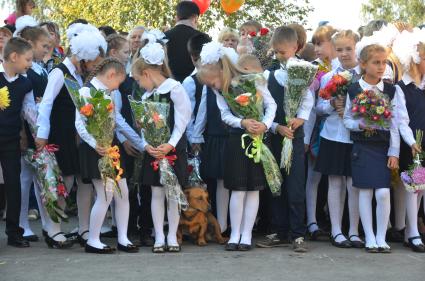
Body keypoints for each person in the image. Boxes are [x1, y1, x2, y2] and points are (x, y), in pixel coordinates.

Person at [197, 42, 276, 251]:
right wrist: (242, 122)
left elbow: (271, 105)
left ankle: (246, 234)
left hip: (257, 138)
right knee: (237, 188)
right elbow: (225, 114)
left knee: (253, 190)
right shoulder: (220, 91)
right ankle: (235, 234)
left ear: (222, 71)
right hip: (236, 139)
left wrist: (264, 125)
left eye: (213, 81)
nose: (212, 86)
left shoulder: (254, 81)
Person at [35, 26, 106, 248]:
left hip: (78, 136)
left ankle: (84, 228)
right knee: (62, 183)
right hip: (60, 135)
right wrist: (42, 134)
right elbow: (45, 104)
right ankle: (53, 229)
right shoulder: (59, 72)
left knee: (84, 183)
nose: (95, 68)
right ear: (84, 58)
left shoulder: (79, 75)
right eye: (93, 63)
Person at [256, 26, 312, 252]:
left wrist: (301, 119)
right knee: (275, 184)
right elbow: (263, 106)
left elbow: (308, 99)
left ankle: (298, 233)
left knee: (296, 186)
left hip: (295, 136)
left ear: (296, 47)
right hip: (276, 136)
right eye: (276, 52)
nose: (279, 56)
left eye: (283, 52)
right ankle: (277, 230)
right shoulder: (268, 75)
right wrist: (277, 126)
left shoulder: (305, 70)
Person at [132, 42, 191, 253]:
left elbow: (183, 120)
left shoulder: (175, 88)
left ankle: (172, 236)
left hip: (172, 149)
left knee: (172, 193)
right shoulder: (148, 97)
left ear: (147, 73)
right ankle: (159, 236)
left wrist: (170, 144)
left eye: (139, 80)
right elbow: (144, 128)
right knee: (156, 192)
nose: (139, 85)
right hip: (154, 151)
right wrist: (147, 144)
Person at [76, 57, 138, 254]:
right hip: (96, 149)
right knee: (104, 195)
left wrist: (141, 143)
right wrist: (96, 144)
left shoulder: (108, 93)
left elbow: (117, 119)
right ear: (111, 75)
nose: (118, 87)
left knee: (123, 193)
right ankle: (93, 240)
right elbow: (80, 124)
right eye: (118, 82)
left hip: (111, 147)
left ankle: (123, 237)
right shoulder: (86, 92)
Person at [343, 42, 401, 253]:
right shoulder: (354, 89)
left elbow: (395, 123)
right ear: (363, 63)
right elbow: (347, 120)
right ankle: (369, 237)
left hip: (382, 147)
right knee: (365, 192)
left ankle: (381, 236)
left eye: (384, 62)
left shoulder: (392, 90)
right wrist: (360, 124)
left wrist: (394, 151)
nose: (381, 66)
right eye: (376, 62)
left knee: (383, 193)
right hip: (362, 146)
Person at [315, 30, 364, 248]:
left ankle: (353, 230)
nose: (344, 54)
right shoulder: (328, 77)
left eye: (348, 49)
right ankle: (336, 230)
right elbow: (319, 107)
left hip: (357, 137)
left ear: (356, 48)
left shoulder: (364, 75)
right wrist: (332, 103)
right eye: (339, 49)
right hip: (333, 135)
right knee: (335, 183)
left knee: (354, 184)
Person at [0, 37, 36, 247]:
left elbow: (29, 111)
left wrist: (40, 133)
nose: (30, 64)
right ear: (14, 56)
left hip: (11, 141)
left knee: (14, 185)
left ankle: (13, 232)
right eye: (28, 59)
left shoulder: (25, 83)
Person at [393, 29, 425, 252]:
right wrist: (411, 141)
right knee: (413, 187)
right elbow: (401, 120)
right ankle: (411, 231)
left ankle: (413, 229)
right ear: (412, 59)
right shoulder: (401, 88)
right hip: (413, 143)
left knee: (422, 188)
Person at [18, 26, 50, 242]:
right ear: (29, 43)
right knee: (25, 179)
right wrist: (25, 131)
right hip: (29, 131)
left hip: (41, 129)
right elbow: (23, 105)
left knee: (42, 180)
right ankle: (22, 223)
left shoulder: (41, 69)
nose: (47, 50)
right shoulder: (25, 72)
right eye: (44, 46)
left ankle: (49, 223)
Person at [165, 1, 203, 82]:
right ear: (195, 18)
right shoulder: (202, 38)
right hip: (196, 89)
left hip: (167, 88)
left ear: (177, 17)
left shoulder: (163, 37)